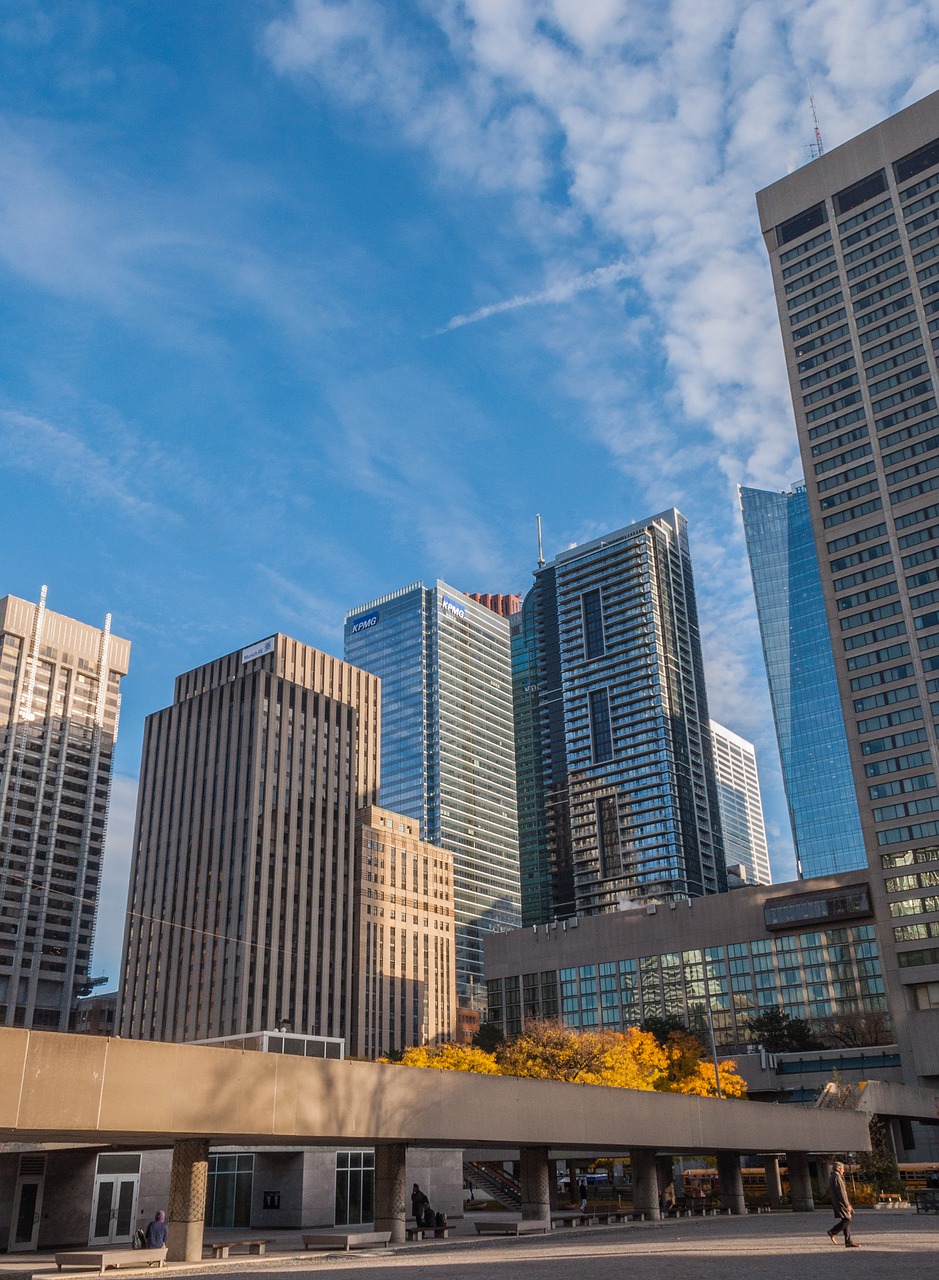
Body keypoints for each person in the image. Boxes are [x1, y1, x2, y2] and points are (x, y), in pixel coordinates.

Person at [827, 1163, 859, 1248]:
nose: (844, 1170)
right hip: (840, 1202)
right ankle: (833, 1231)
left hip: (838, 1201)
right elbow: (841, 1192)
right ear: (839, 1169)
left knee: (846, 1218)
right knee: (847, 1219)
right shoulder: (837, 1177)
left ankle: (848, 1241)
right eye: (843, 1168)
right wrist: (847, 1204)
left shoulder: (833, 1176)